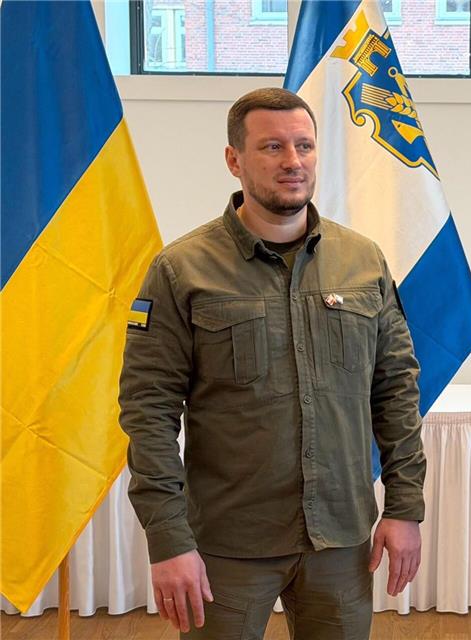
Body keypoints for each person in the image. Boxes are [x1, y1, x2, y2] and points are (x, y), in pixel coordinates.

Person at [119, 87, 425, 639]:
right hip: (228, 545)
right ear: (234, 159)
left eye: (304, 146)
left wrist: (405, 506)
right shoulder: (181, 270)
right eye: (272, 147)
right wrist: (168, 539)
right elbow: (148, 414)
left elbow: (396, 390)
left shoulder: (363, 261)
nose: (293, 161)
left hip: (339, 537)